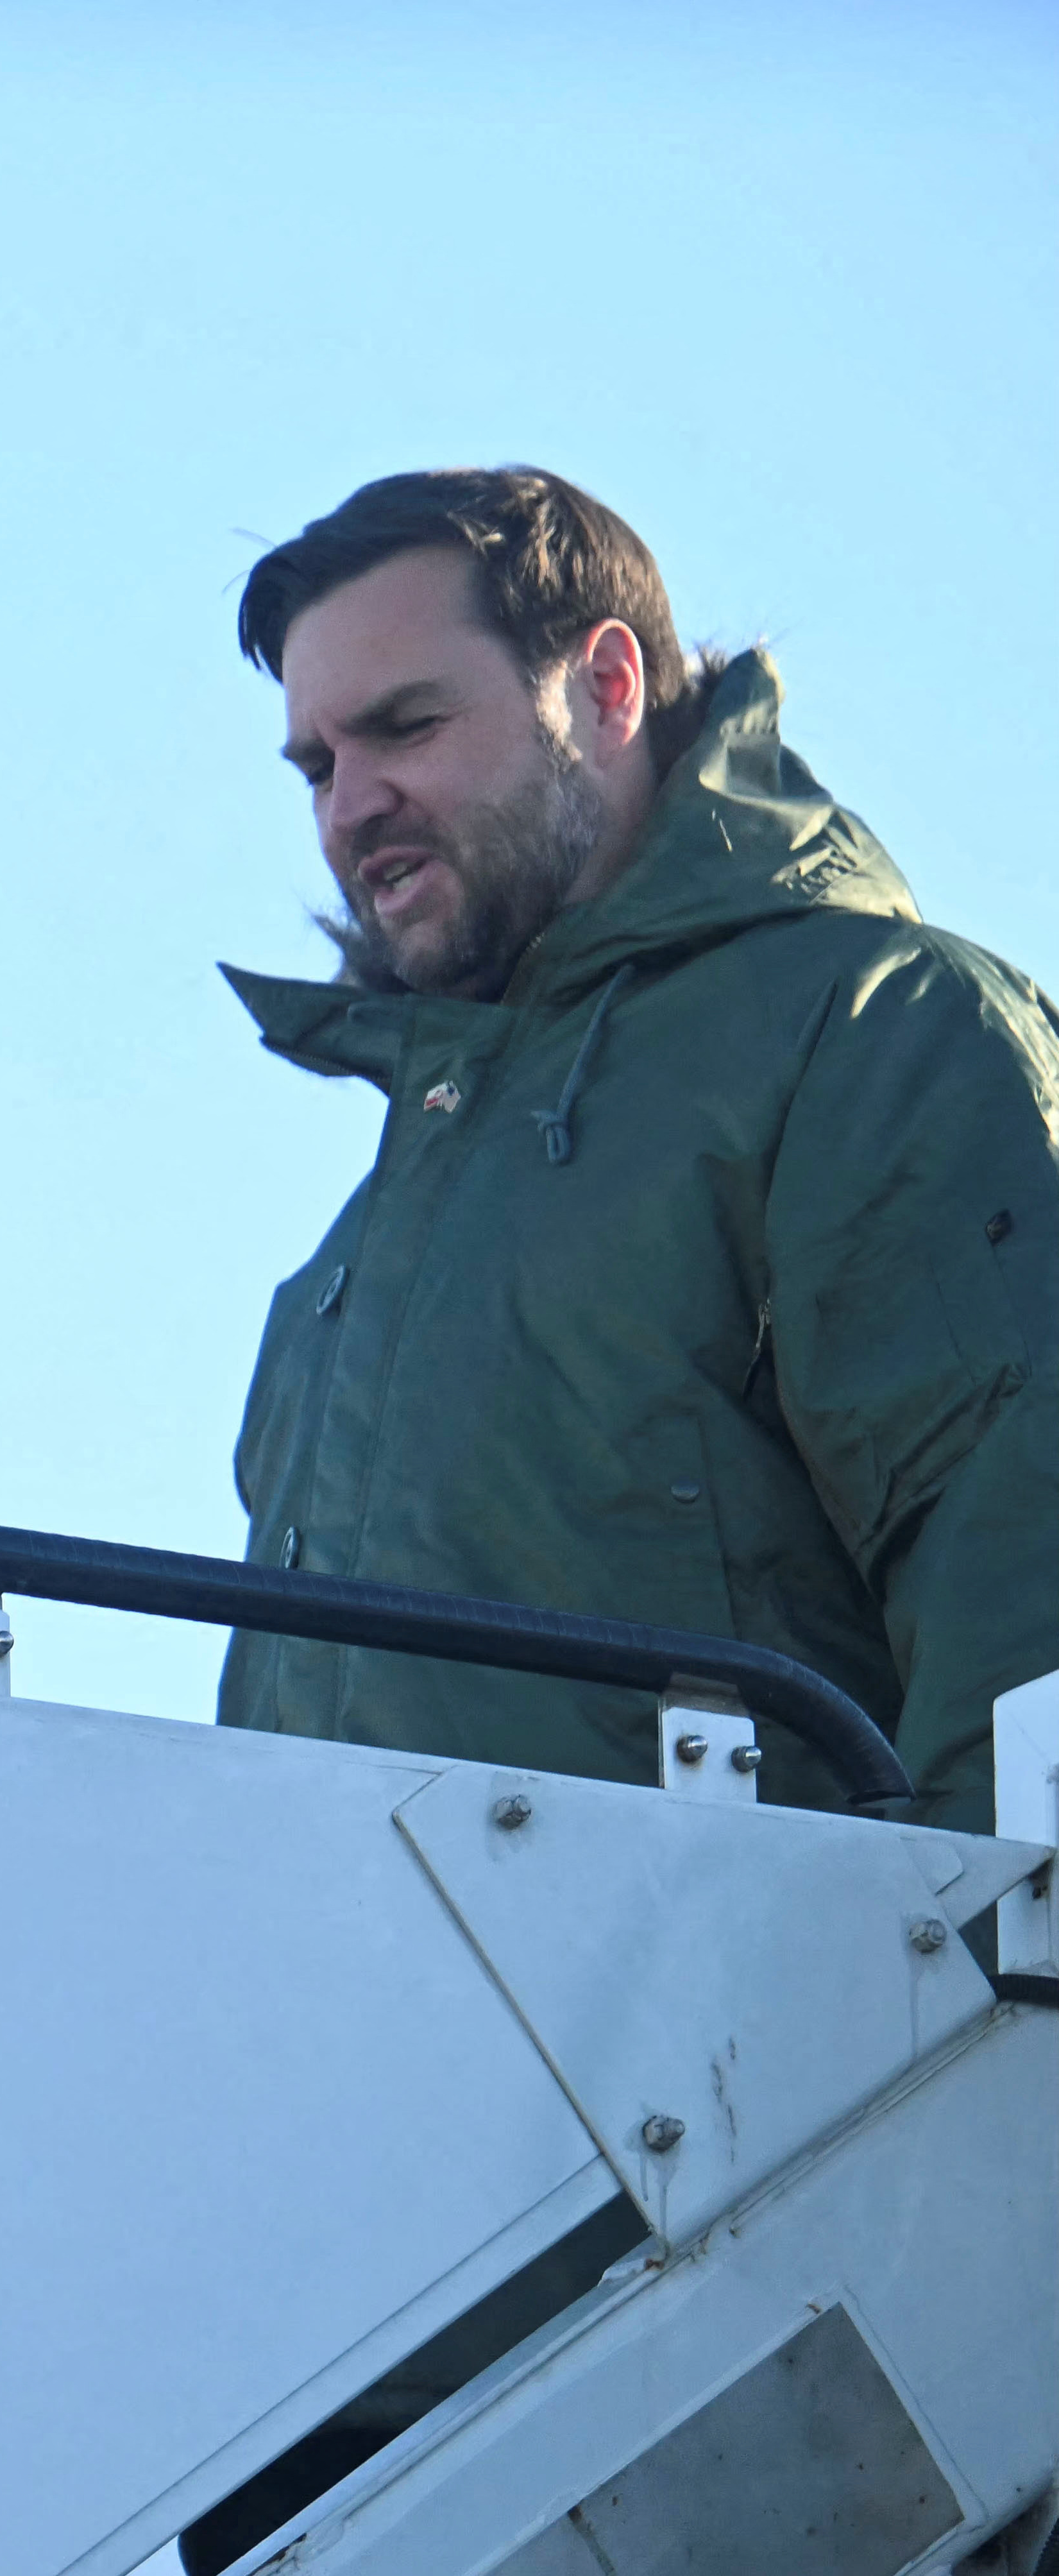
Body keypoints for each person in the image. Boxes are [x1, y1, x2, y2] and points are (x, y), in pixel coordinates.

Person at [219, 466, 1059, 1827]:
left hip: (793, 2021)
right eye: (319, 764)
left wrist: (999, 2011)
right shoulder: (360, 1247)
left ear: (608, 688)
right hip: (355, 2014)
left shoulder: (874, 1031)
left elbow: (1025, 1567)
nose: (350, 805)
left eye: (406, 726)